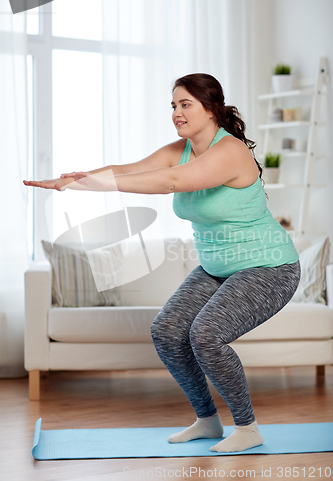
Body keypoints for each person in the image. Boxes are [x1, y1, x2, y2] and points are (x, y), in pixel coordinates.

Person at [23, 73, 301, 453]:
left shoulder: (231, 151)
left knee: (205, 335)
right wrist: (74, 181)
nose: (177, 112)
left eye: (185, 104)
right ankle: (207, 420)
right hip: (218, 267)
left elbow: (170, 181)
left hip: (268, 268)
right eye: (173, 105)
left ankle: (248, 427)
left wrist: (101, 184)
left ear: (211, 108)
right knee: (167, 331)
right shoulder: (181, 148)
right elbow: (132, 171)